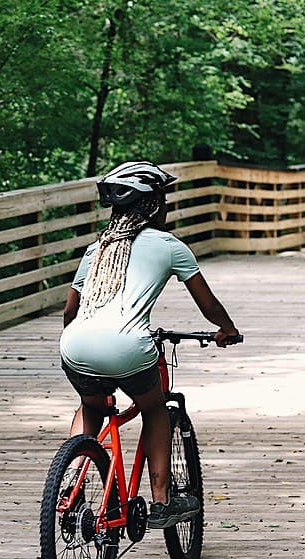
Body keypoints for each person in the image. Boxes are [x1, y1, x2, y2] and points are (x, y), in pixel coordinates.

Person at [60, 160, 239, 529]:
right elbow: (207, 305)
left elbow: (70, 310)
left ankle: (69, 485)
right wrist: (227, 328)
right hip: (128, 348)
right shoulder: (169, 246)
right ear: (154, 205)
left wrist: (79, 342)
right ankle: (162, 503)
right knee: (154, 408)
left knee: (91, 406)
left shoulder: (98, 249)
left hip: (75, 345)